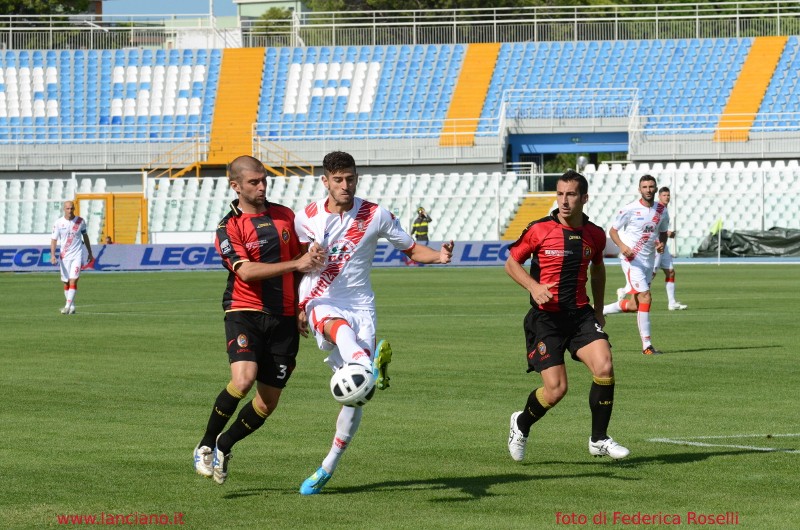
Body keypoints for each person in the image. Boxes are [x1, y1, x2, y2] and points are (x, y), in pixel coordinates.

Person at [294, 151, 454, 495]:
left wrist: (439, 256)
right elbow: (298, 261)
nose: (345, 185)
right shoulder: (304, 217)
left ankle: (327, 467)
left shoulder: (375, 214)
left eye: (350, 178)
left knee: (356, 395)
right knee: (336, 327)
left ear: (356, 178)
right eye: (338, 179)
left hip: (361, 305)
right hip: (322, 299)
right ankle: (367, 363)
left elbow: (410, 249)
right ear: (325, 181)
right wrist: (296, 304)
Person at [192, 155, 325, 485]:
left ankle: (225, 444)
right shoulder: (228, 227)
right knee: (243, 380)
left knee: (268, 402)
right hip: (244, 311)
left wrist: (300, 306)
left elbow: (304, 259)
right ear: (236, 186)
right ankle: (206, 443)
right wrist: (297, 265)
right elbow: (247, 271)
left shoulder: (285, 216)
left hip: (283, 317)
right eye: (254, 182)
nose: (262, 186)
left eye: (265, 180)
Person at [505, 169, 629, 464]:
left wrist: (598, 309)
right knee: (556, 390)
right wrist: (534, 287)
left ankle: (598, 439)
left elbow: (597, 269)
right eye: (560, 194)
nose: (564, 200)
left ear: (584, 198)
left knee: (605, 365)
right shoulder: (539, 229)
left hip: (580, 316)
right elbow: (512, 263)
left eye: (571, 194)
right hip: (546, 319)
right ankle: (521, 424)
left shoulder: (595, 234)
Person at [602, 175, 669, 355]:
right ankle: (647, 346)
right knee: (646, 297)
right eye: (645, 187)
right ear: (639, 189)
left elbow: (663, 232)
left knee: (634, 305)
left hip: (648, 260)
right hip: (632, 260)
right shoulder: (630, 209)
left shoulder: (661, 210)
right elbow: (613, 231)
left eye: (651, 186)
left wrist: (662, 243)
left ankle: (599, 310)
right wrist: (623, 247)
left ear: (655, 189)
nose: (648, 189)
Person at [50, 200, 93, 315]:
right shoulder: (58, 223)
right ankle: (72, 305)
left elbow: (85, 236)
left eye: (72, 208)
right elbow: (54, 240)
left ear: (74, 209)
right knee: (66, 282)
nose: (70, 211)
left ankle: (67, 306)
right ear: (64, 209)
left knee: (73, 279)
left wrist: (89, 252)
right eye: (68, 209)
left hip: (77, 255)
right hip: (64, 257)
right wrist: (52, 255)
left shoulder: (80, 221)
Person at [652, 187, 687, 311]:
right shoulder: (656, 210)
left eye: (668, 195)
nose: (667, 197)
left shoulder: (664, 210)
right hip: (656, 245)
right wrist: (668, 233)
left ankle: (671, 303)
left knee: (671, 272)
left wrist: (667, 234)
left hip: (663, 246)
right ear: (659, 196)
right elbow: (653, 228)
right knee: (651, 275)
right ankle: (627, 290)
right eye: (664, 195)